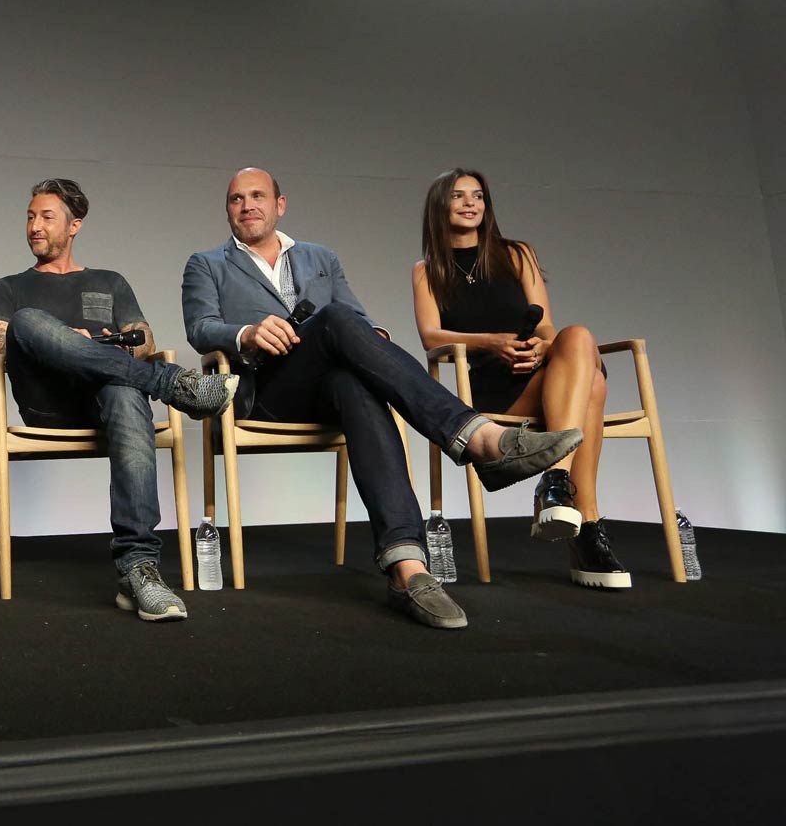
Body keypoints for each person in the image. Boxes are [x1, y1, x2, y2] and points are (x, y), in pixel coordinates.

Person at [182, 167, 585, 629]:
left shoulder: (321, 258)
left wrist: (370, 337)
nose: (247, 205)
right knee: (333, 321)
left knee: (355, 379)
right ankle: (477, 439)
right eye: (236, 199)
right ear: (228, 210)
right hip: (267, 389)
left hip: (327, 387)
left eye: (257, 196)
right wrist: (247, 332)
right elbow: (201, 328)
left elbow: (357, 317)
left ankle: (407, 568)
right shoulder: (206, 264)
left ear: (280, 204)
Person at [0, 179, 238, 622]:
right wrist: (63, 340)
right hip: (49, 406)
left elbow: (144, 340)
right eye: (30, 216)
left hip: (109, 400)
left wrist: (103, 348)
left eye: (46, 217)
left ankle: (139, 568)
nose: (34, 226)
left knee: (123, 390)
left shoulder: (110, 281)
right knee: (26, 322)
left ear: (74, 225)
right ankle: (176, 386)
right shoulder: (10, 287)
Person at [413, 168, 627, 589]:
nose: (471, 203)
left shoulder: (517, 254)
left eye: (478, 196)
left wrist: (542, 348)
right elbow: (430, 336)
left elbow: (547, 328)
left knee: (577, 336)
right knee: (594, 387)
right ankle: (587, 525)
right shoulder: (428, 270)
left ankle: (556, 481)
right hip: (492, 387)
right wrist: (491, 342)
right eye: (458, 196)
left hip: (539, 375)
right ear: (440, 206)